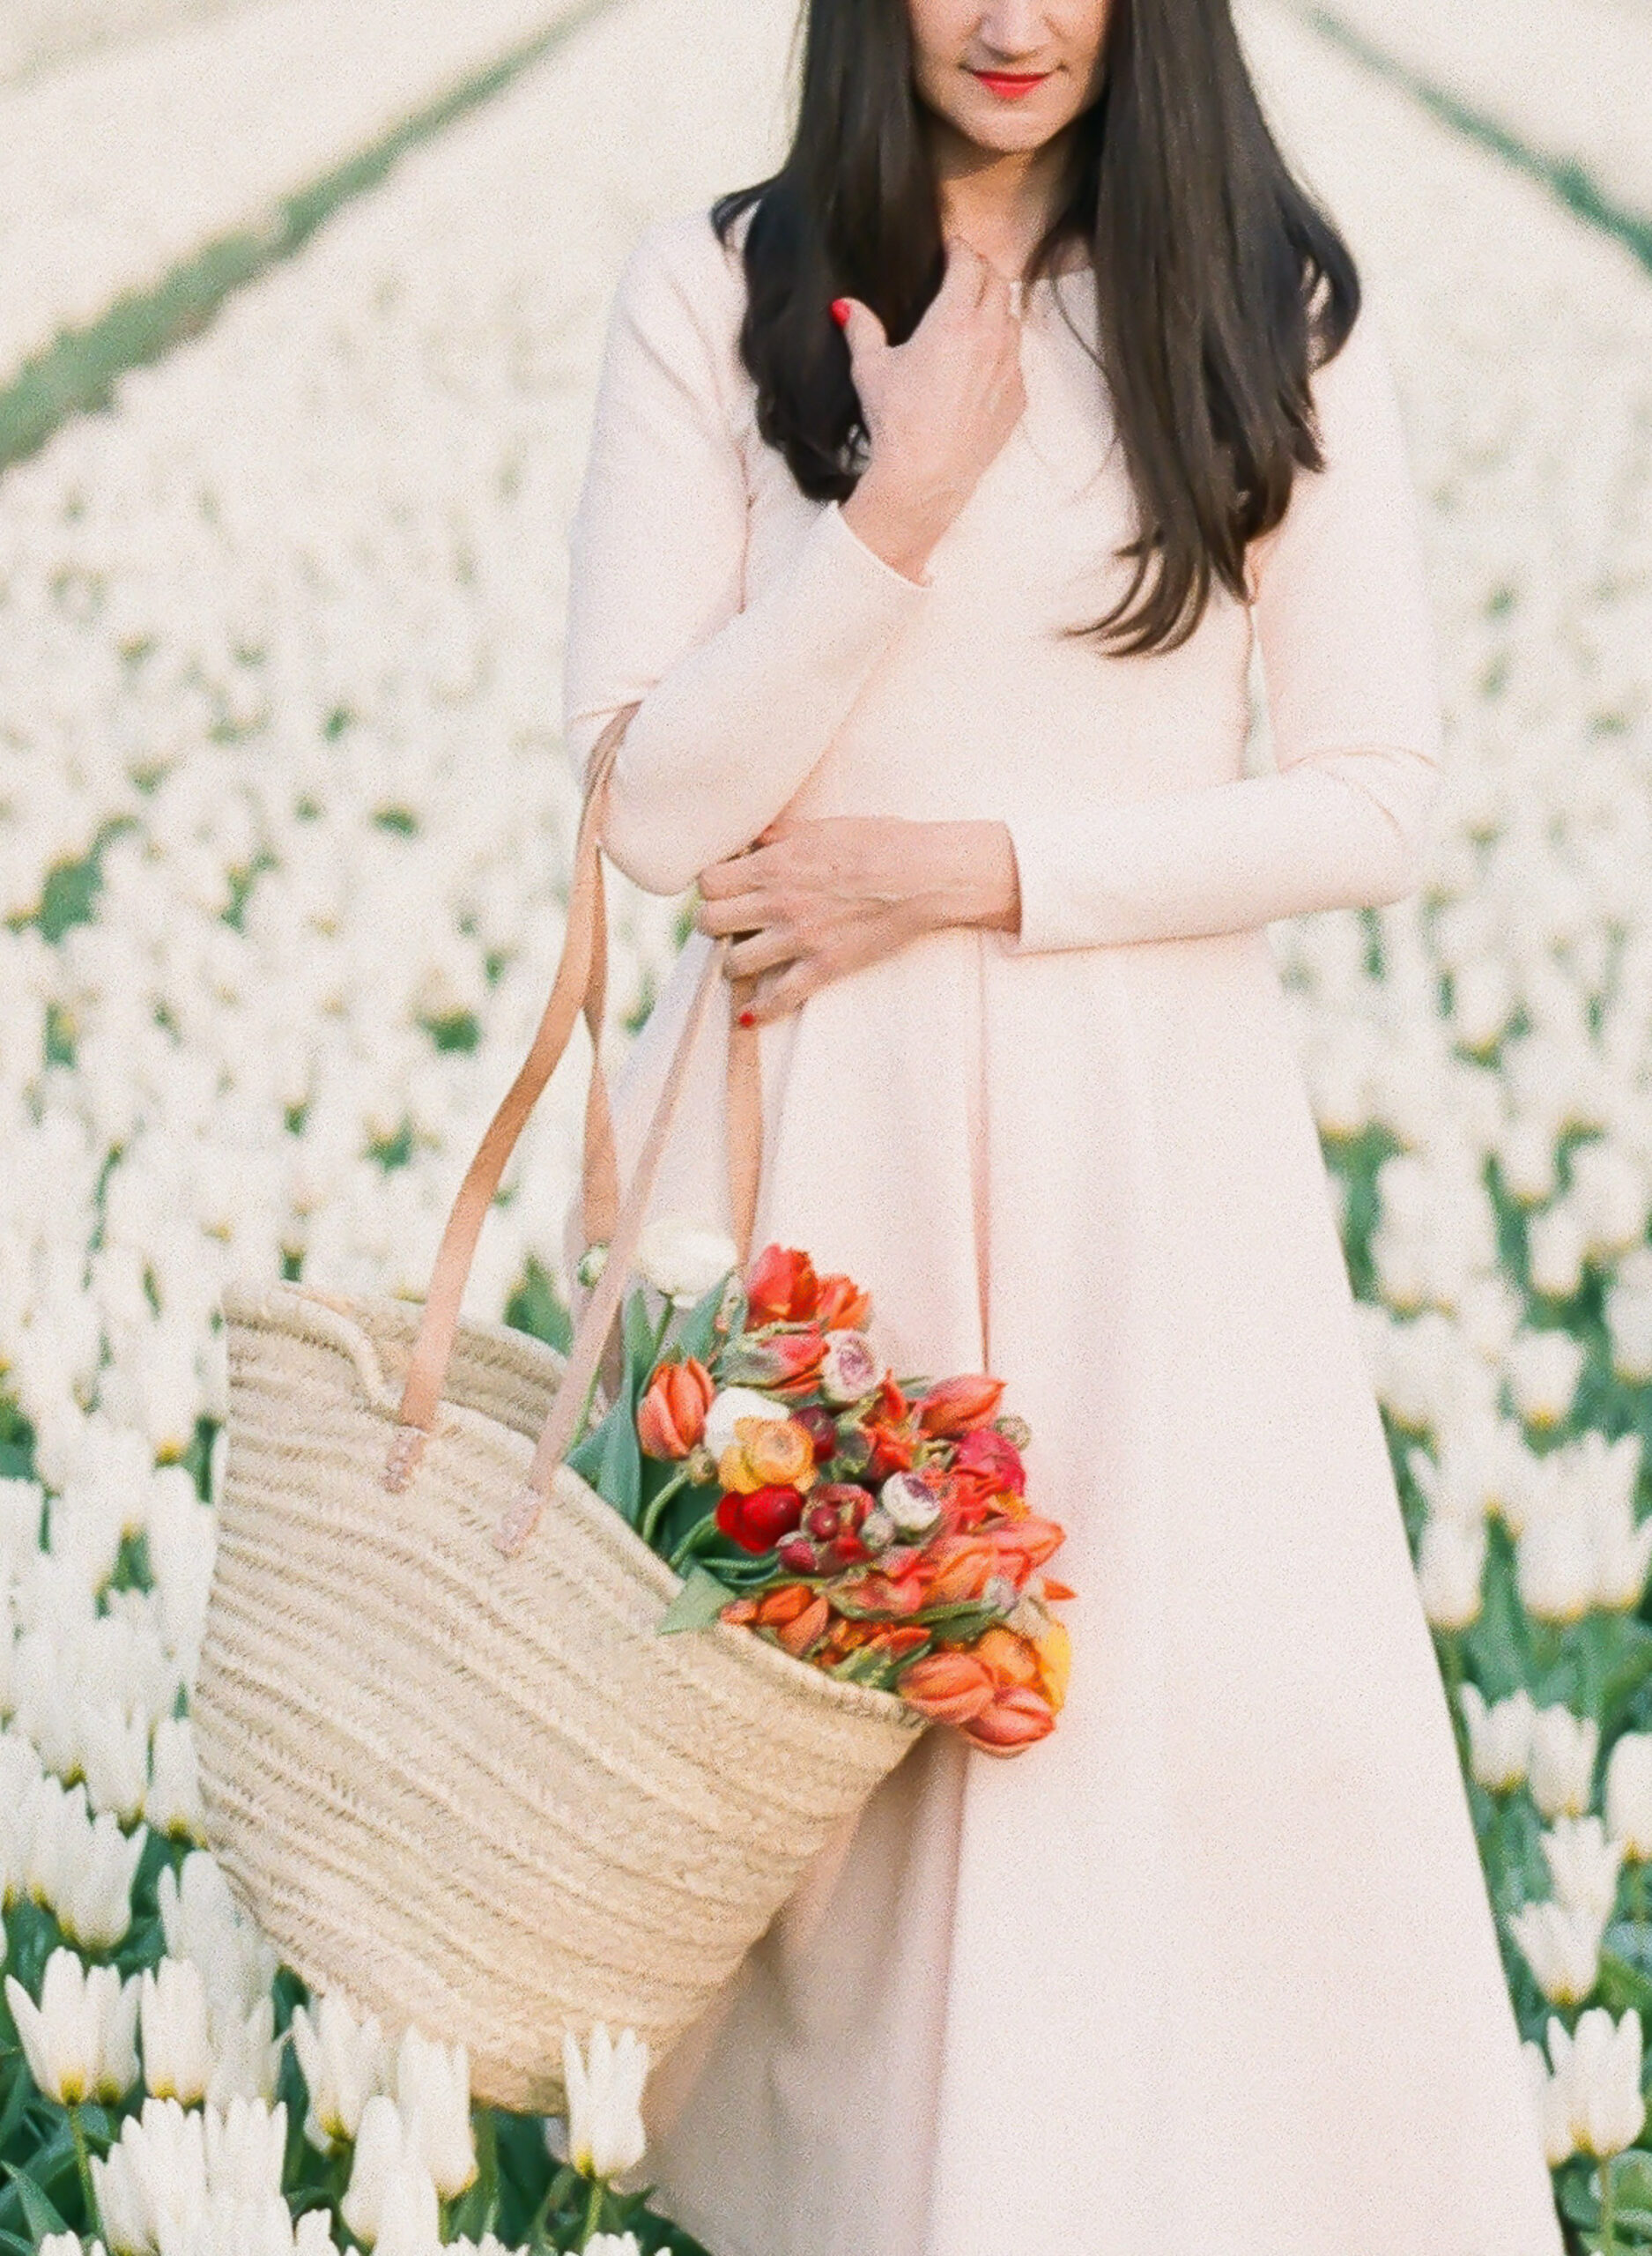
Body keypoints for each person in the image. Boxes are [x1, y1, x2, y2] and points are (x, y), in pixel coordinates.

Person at [556, 0, 1567, 2247]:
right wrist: (887, 520)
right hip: (814, 1140)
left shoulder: (1257, 292)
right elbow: (646, 807)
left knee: (1147, 1765)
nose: (1012, 19)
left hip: (1149, 1158)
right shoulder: (722, 287)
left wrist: (968, 867)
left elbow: (1369, 794)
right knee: (831, 1814)